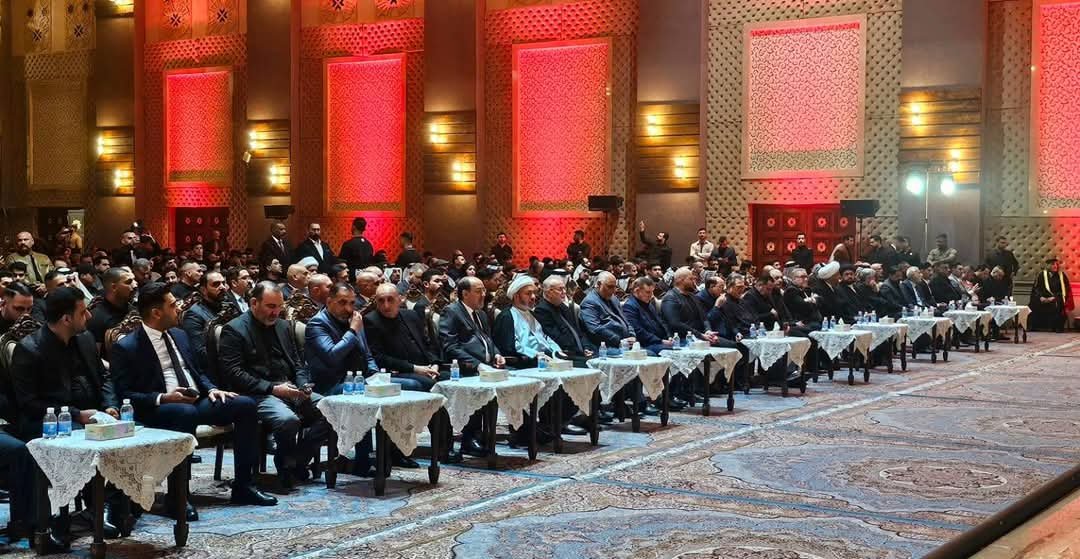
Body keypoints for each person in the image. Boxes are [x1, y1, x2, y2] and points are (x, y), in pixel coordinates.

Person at [110, 283, 277, 514]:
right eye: (172, 305)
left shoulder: (179, 335)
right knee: (185, 413)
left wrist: (212, 389)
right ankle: (178, 496)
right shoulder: (127, 346)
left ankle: (244, 486)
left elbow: (198, 372)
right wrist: (164, 398)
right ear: (156, 312)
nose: (179, 308)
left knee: (245, 405)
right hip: (159, 407)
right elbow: (125, 394)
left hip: (195, 399)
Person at [9, 288, 124, 534]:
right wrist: (75, 414)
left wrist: (109, 405)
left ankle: (111, 506)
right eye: (83, 312)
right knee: (83, 437)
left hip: (93, 414)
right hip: (47, 422)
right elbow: (28, 403)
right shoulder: (30, 349)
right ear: (66, 318)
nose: (89, 317)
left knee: (129, 435)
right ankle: (93, 509)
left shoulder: (84, 338)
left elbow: (104, 377)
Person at [218, 281, 332, 489]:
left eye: (279, 307)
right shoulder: (234, 330)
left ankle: (297, 460)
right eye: (271, 306)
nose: (276, 312)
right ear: (254, 303)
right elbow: (234, 374)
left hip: (290, 388)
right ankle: (285, 465)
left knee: (331, 409)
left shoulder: (283, 326)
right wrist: (273, 389)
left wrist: (303, 385)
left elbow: (298, 363)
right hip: (257, 393)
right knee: (287, 420)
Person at [438, 276, 504, 458]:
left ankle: (477, 436)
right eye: (478, 291)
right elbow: (450, 346)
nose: (483, 294)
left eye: (484, 290)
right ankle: (469, 438)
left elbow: (488, 340)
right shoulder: (451, 312)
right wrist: (477, 365)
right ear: (465, 293)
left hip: (486, 366)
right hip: (461, 368)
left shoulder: (481, 314)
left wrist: (496, 354)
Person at [365, 283, 444, 390]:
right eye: (381, 301)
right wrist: (416, 369)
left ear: (399, 299)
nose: (386, 305)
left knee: (450, 377)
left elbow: (428, 344)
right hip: (400, 371)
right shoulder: (371, 321)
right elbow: (379, 357)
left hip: (427, 367)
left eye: (390, 299)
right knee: (429, 383)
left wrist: (435, 364)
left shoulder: (411, 315)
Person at [304, 282, 380, 396]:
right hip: (334, 385)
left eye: (352, 303)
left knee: (404, 385)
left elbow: (367, 355)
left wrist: (376, 376)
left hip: (361, 379)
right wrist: (352, 331)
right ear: (329, 302)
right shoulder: (317, 324)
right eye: (342, 302)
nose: (349, 309)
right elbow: (332, 356)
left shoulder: (353, 320)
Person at [493, 275, 564, 370]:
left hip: (547, 358)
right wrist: (536, 355)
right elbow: (512, 347)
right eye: (528, 293)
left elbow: (545, 337)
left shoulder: (533, 314)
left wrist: (557, 351)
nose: (533, 297)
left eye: (534, 293)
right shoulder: (507, 316)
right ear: (516, 296)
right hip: (526, 362)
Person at [661, 267, 733, 348]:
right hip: (683, 338)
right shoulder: (670, 298)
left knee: (736, 346)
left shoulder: (693, 296)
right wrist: (700, 335)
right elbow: (675, 323)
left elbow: (704, 318)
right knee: (732, 347)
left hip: (700, 336)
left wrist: (708, 331)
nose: (694, 282)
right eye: (691, 279)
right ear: (680, 280)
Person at [533, 274, 596, 362]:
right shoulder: (541, 310)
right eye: (560, 289)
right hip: (565, 354)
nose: (564, 292)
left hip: (580, 351)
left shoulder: (562, 306)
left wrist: (586, 347)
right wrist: (580, 352)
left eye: (564, 288)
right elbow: (556, 338)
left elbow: (578, 331)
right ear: (549, 292)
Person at [180, 271, 227, 374]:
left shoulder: (227, 306)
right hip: (216, 370)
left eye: (223, 283)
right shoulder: (193, 315)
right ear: (203, 290)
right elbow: (200, 352)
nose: (223, 287)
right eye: (216, 284)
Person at [580, 271, 636, 349]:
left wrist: (632, 335)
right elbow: (595, 329)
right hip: (607, 346)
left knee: (648, 353)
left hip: (625, 343)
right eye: (610, 287)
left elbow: (625, 320)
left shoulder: (613, 298)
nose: (614, 290)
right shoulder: (589, 302)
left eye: (615, 287)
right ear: (598, 284)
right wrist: (619, 341)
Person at [621, 277, 671, 356]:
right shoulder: (629, 306)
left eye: (652, 292)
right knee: (669, 351)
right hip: (646, 344)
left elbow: (661, 322)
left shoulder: (648, 304)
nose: (651, 295)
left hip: (659, 341)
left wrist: (669, 336)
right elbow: (638, 331)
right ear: (637, 291)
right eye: (648, 292)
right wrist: (660, 341)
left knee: (678, 348)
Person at [87, 267, 136, 347]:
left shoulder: (134, 309)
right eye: (129, 282)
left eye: (134, 280)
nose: (134, 285)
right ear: (114, 287)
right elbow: (95, 352)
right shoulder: (97, 317)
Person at [1029, 258, 1073, 333]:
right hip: (1043, 297)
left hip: (1056, 297)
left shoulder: (1061, 275)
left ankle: (1056, 327)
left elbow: (1065, 290)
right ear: (1047, 265)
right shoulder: (1041, 275)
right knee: (1034, 302)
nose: (1055, 266)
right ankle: (1035, 326)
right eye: (1053, 264)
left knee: (1057, 303)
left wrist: (1053, 298)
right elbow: (1036, 288)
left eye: (1056, 264)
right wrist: (1040, 297)